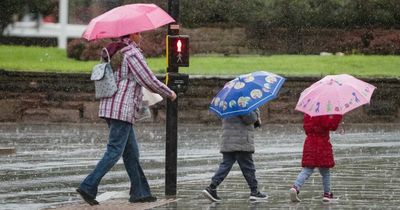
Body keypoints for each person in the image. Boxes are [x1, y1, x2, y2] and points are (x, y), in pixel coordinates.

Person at [76, 32, 177, 205]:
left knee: (131, 153)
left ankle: (140, 192)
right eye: (138, 33)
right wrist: (169, 93)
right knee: (114, 151)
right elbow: (148, 79)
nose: (142, 36)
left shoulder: (113, 50)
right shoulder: (131, 53)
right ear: (131, 34)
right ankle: (88, 186)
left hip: (109, 106)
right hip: (122, 108)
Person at [202, 108, 268, 202]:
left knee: (225, 165)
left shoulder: (228, 103)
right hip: (241, 140)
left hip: (228, 140)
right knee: (248, 167)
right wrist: (256, 113)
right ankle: (254, 191)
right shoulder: (243, 102)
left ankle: (212, 187)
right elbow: (249, 118)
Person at [289, 114, 343, 203]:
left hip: (310, 143)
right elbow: (332, 126)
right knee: (325, 172)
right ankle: (327, 194)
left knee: (307, 169)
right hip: (323, 144)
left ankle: (295, 187)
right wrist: (338, 116)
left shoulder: (309, 112)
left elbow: (306, 128)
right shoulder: (324, 112)